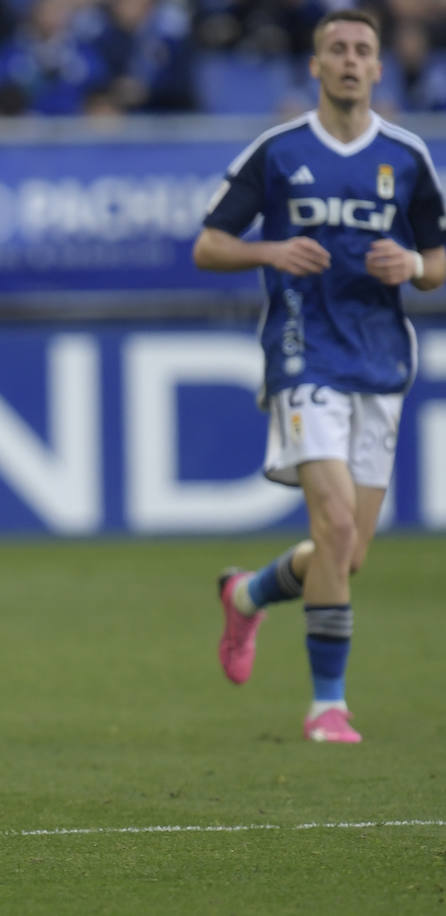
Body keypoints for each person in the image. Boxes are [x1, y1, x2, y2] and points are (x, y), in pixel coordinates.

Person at [193, 8, 445, 743]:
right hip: (304, 354)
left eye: (362, 50)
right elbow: (208, 246)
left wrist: (415, 267)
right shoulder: (278, 152)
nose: (348, 60)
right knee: (333, 526)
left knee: (348, 554)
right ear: (314, 65)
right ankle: (327, 704)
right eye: (335, 48)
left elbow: (439, 259)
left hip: (380, 360)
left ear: (377, 67)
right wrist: (272, 253)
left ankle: (246, 593)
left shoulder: (407, 156)